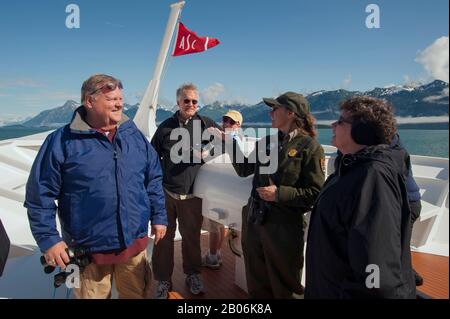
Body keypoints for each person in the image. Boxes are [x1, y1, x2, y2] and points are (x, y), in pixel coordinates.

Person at [24, 74, 168, 299]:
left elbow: (153, 179)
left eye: (120, 98)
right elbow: (39, 196)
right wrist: (49, 240)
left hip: (134, 245)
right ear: (89, 102)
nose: (120, 103)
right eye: (111, 99)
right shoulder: (61, 142)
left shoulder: (134, 137)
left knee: (137, 295)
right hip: (88, 252)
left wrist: (159, 217)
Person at [214, 92, 325, 298]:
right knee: (256, 281)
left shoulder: (310, 148)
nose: (270, 113)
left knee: (285, 286)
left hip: (283, 227)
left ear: (290, 113)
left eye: (275, 109)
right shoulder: (266, 142)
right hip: (255, 220)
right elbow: (244, 168)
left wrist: (279, 194)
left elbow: (315, 193)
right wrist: (229, 142)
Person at [305, 96, 416, 299]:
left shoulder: (373, 178)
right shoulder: (350, 168)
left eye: (340, 121)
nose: (332, 125)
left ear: (361, 131)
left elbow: (376, 271)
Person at [151, 83, 222, 299]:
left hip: (193, 195)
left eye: (194, 101)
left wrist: (206, 155)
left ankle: (193, 274)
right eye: (186, 100)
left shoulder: (207, 125)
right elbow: (152, 158)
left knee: (191, 238)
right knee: (163, 239)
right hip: (167, 193)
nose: (190, 104)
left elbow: (221, 146)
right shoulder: (165, 128)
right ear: (178, 102)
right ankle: (163, 280)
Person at [202, 110, 243, 269]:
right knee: (221, 224)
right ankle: (217, 252)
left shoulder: (233, 138)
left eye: (231, 122)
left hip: (217, 188)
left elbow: (208, 155)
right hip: (227, 187)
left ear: (238, 125)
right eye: (225, 120)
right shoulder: (228, 139)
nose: (226, 124)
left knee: (214, 225)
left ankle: (212, 257)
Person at [391, 133, 424, 286]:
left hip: (407, 204)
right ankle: (408, 274)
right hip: (411, 201)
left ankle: (407, 280)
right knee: (401, 244)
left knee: (398, 246)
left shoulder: (392, 152)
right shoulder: (395, 145)